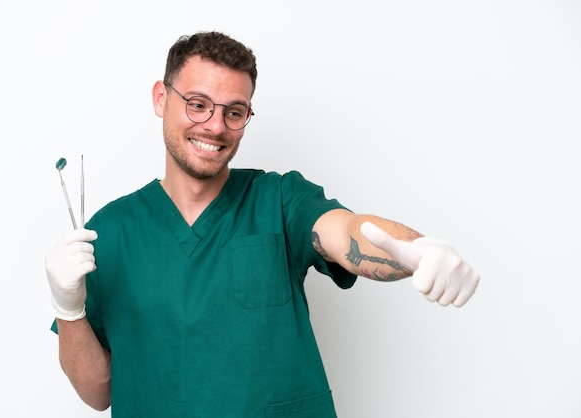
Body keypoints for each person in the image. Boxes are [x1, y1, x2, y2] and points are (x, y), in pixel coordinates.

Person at [45, 31, 480, 417]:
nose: (215, 126)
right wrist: (69, 308)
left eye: (235, 112)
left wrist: (416, 251)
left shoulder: (280, 200)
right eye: (197, 105)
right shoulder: (110, 231)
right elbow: (97, 393)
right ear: (161, 98)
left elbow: (344, 231)